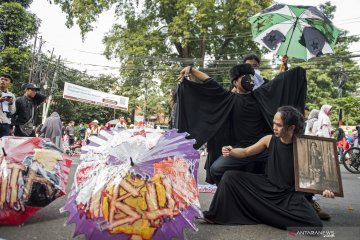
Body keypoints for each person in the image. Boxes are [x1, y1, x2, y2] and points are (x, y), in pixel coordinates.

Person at [202, 106, 335, 229]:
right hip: (266, 187)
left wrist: (325, 188)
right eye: (273, 123)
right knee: (230, 177)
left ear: (291, 128)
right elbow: (245, 152)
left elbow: (317, 175)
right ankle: (215, 214)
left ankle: (263, 214)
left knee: (315, 225)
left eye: (279, 125)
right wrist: (231, 150)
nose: (274, 127)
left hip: (288, 195)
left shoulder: (304, 146)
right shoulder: (269, 139)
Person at [177, 64, 307, 185]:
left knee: (293, 166)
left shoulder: (260, 94)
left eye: (251, 76)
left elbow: (280, 83)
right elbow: (209, 82)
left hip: (264, 147)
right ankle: (237, 189)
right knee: (216, 169)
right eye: (244, 76)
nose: (249, 79)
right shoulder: (228, 99)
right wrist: (191, 69)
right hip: (240, 148)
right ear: (235, 82)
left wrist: (298, 73)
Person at [0, 73, 16, 137]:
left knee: (3, 145)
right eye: (1, 79)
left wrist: (11, 103)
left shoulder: (11, 95)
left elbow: (12, 112)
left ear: (10, 84)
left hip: (5, 123)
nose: (3, 81)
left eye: (6, 80)